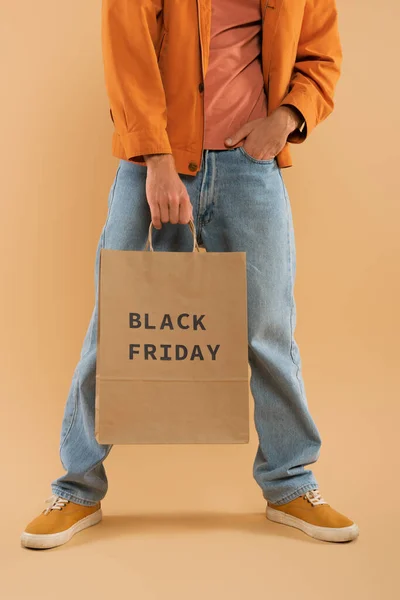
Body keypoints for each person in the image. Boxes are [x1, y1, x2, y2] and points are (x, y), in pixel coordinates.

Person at [21, 0, 359, 549]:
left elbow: (321, 55)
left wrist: (285, 120)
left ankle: (290, 482)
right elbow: (127, 51)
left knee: (268, 329)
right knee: (115, 325)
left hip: (251, 165)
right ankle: (77, 488)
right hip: (152, 164)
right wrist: (157, 161)